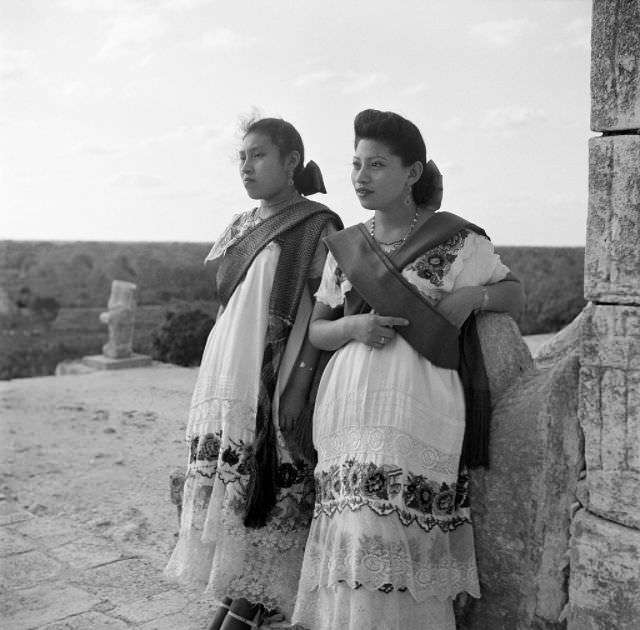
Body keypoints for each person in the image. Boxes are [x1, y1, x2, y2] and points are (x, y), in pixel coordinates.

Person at [291, 109, 524, 630]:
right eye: (355, 164)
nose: (360, 177)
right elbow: (317, 331)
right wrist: (353, 329)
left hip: (420, 401)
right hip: (349, 406)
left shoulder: (458, 241)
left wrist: (473, 296)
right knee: (353, 531)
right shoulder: (344, 247)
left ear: (413, 173)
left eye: (376, 165)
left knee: (400, 532)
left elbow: (514, 291)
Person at [165, 116, 343, 629]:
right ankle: (236, 600)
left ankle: (248, 608)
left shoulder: (316, 225)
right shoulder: (241, 225)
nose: (246, 166)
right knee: (235, 496)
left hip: (272, 378)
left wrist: (296, 384)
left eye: (259, 155)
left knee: (270, 494)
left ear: (291, 162)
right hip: (227, 373)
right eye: (242, 157)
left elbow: (317, 312)